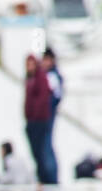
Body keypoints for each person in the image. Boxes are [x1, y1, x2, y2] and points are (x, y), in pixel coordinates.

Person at [24, 54, 55, 184]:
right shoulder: (29, 79)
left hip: (40, 122)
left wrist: (36, 117)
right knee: (37, 154)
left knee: (43, 153)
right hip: (32, 122)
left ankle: (48, 180)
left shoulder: (41, 78)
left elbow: (43, 99)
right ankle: (42, 179)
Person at [42, 48, 63, 184]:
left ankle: (51, 179)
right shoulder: (50, 75)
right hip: (47, 116)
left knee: (46, 147)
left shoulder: (52, 76)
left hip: (47, 117)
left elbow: (56, 96)